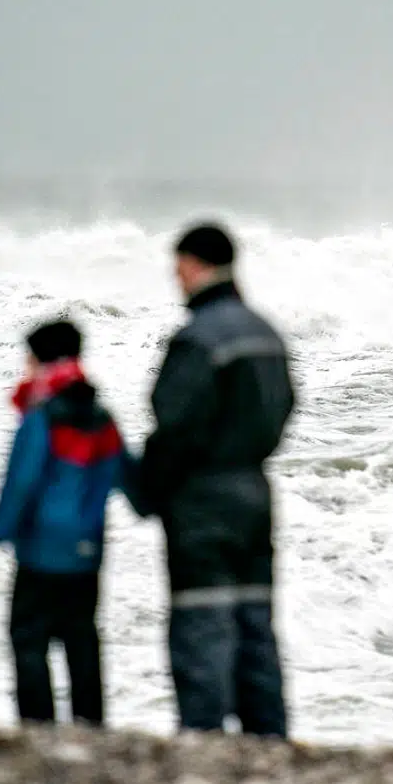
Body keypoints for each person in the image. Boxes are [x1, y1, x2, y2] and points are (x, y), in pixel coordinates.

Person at [140, 222, 296, 737]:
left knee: (201, 622)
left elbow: (175, 423)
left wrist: (148, 487)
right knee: (255, 625)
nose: (175, 279)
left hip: (203, 499)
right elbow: (286, 409)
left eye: (177, 268)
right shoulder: (265, 333)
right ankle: (268, 743)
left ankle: (204, 745)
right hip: (255, 492)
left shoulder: (198, 338)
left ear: (192, 265)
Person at [0, 317, 146, 727]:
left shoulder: (41, 417)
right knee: (81, 638)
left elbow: (21, 483)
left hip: (41, 551)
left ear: (38, 361)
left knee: (28, 639)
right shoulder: (101, 416)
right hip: (87, 551)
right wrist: (154, 504)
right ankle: (90, 727)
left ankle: (39, 728)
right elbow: (128, 478)